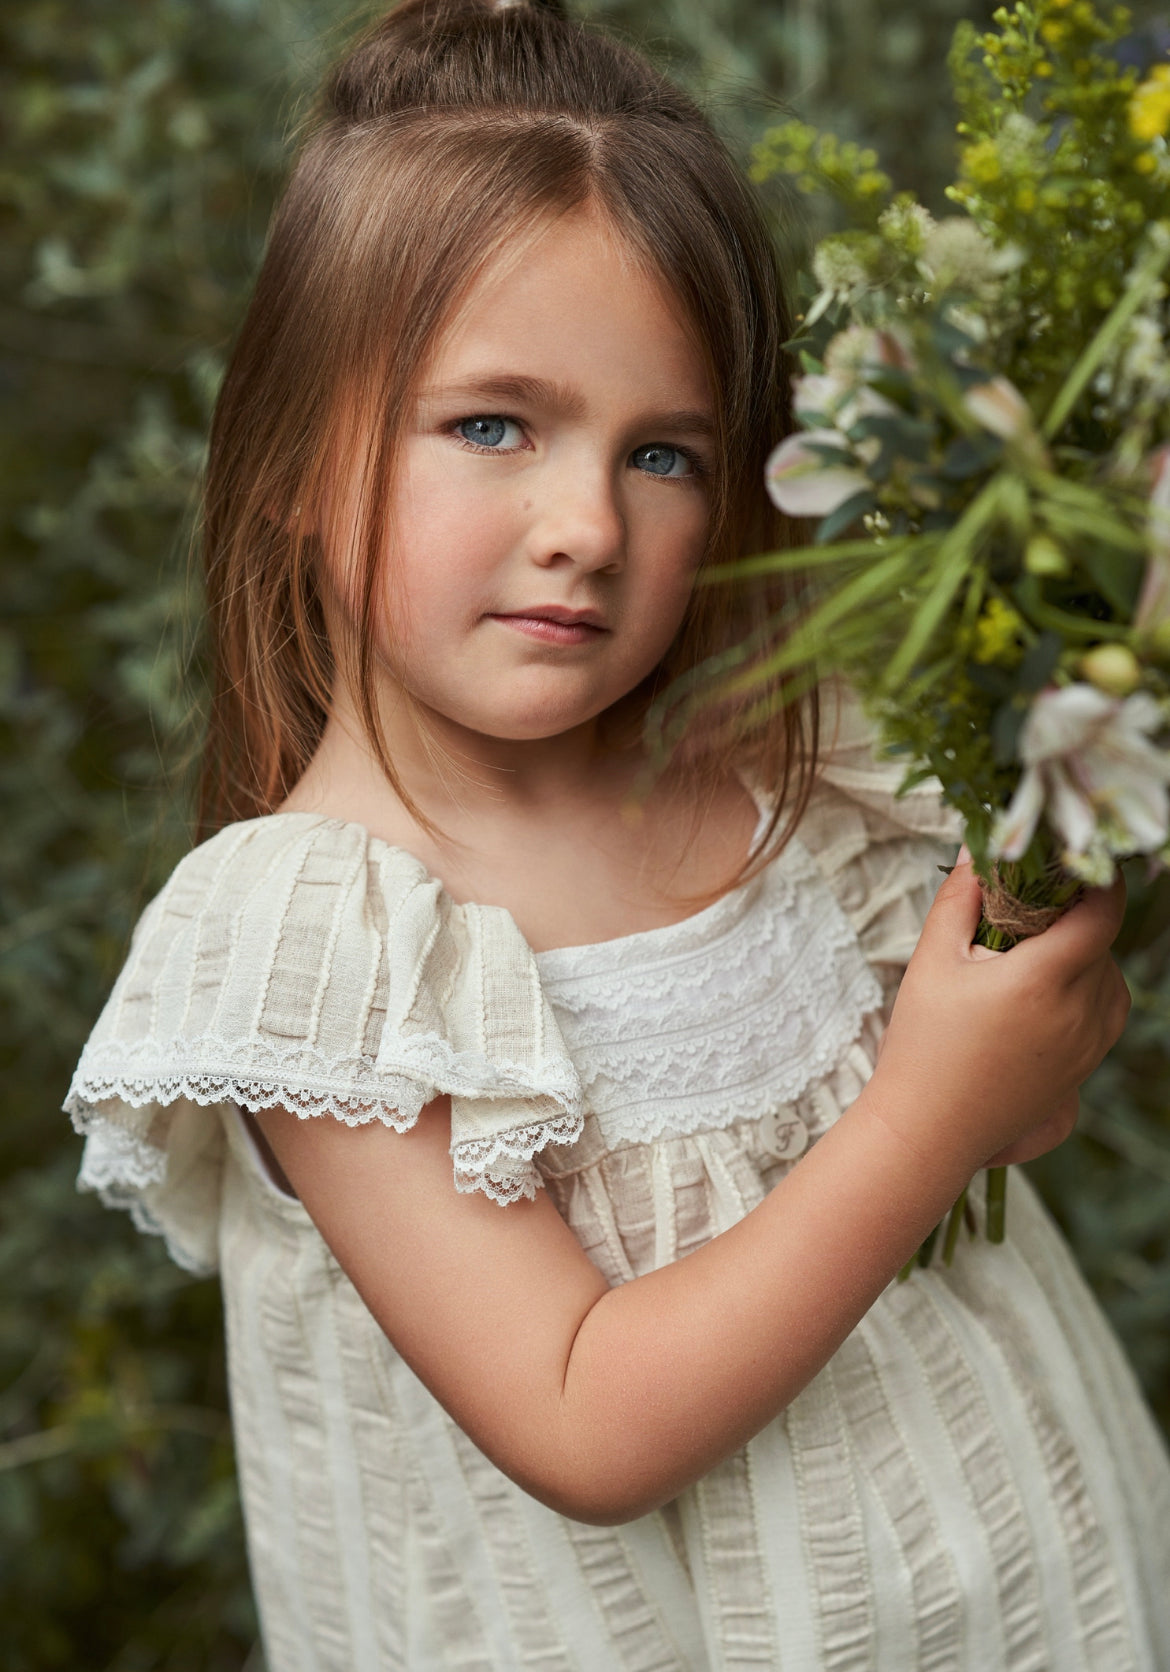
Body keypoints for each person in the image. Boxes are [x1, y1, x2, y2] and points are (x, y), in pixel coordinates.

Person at [64, 1, 1170, 1666]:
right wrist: (939, 1103)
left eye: (663, 454)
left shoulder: (778, 761)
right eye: (492, 425)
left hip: (1037, 1589)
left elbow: (1013, 1107)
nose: (586, 526)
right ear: (296, 457)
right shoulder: (318, 932)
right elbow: (586, 1427)